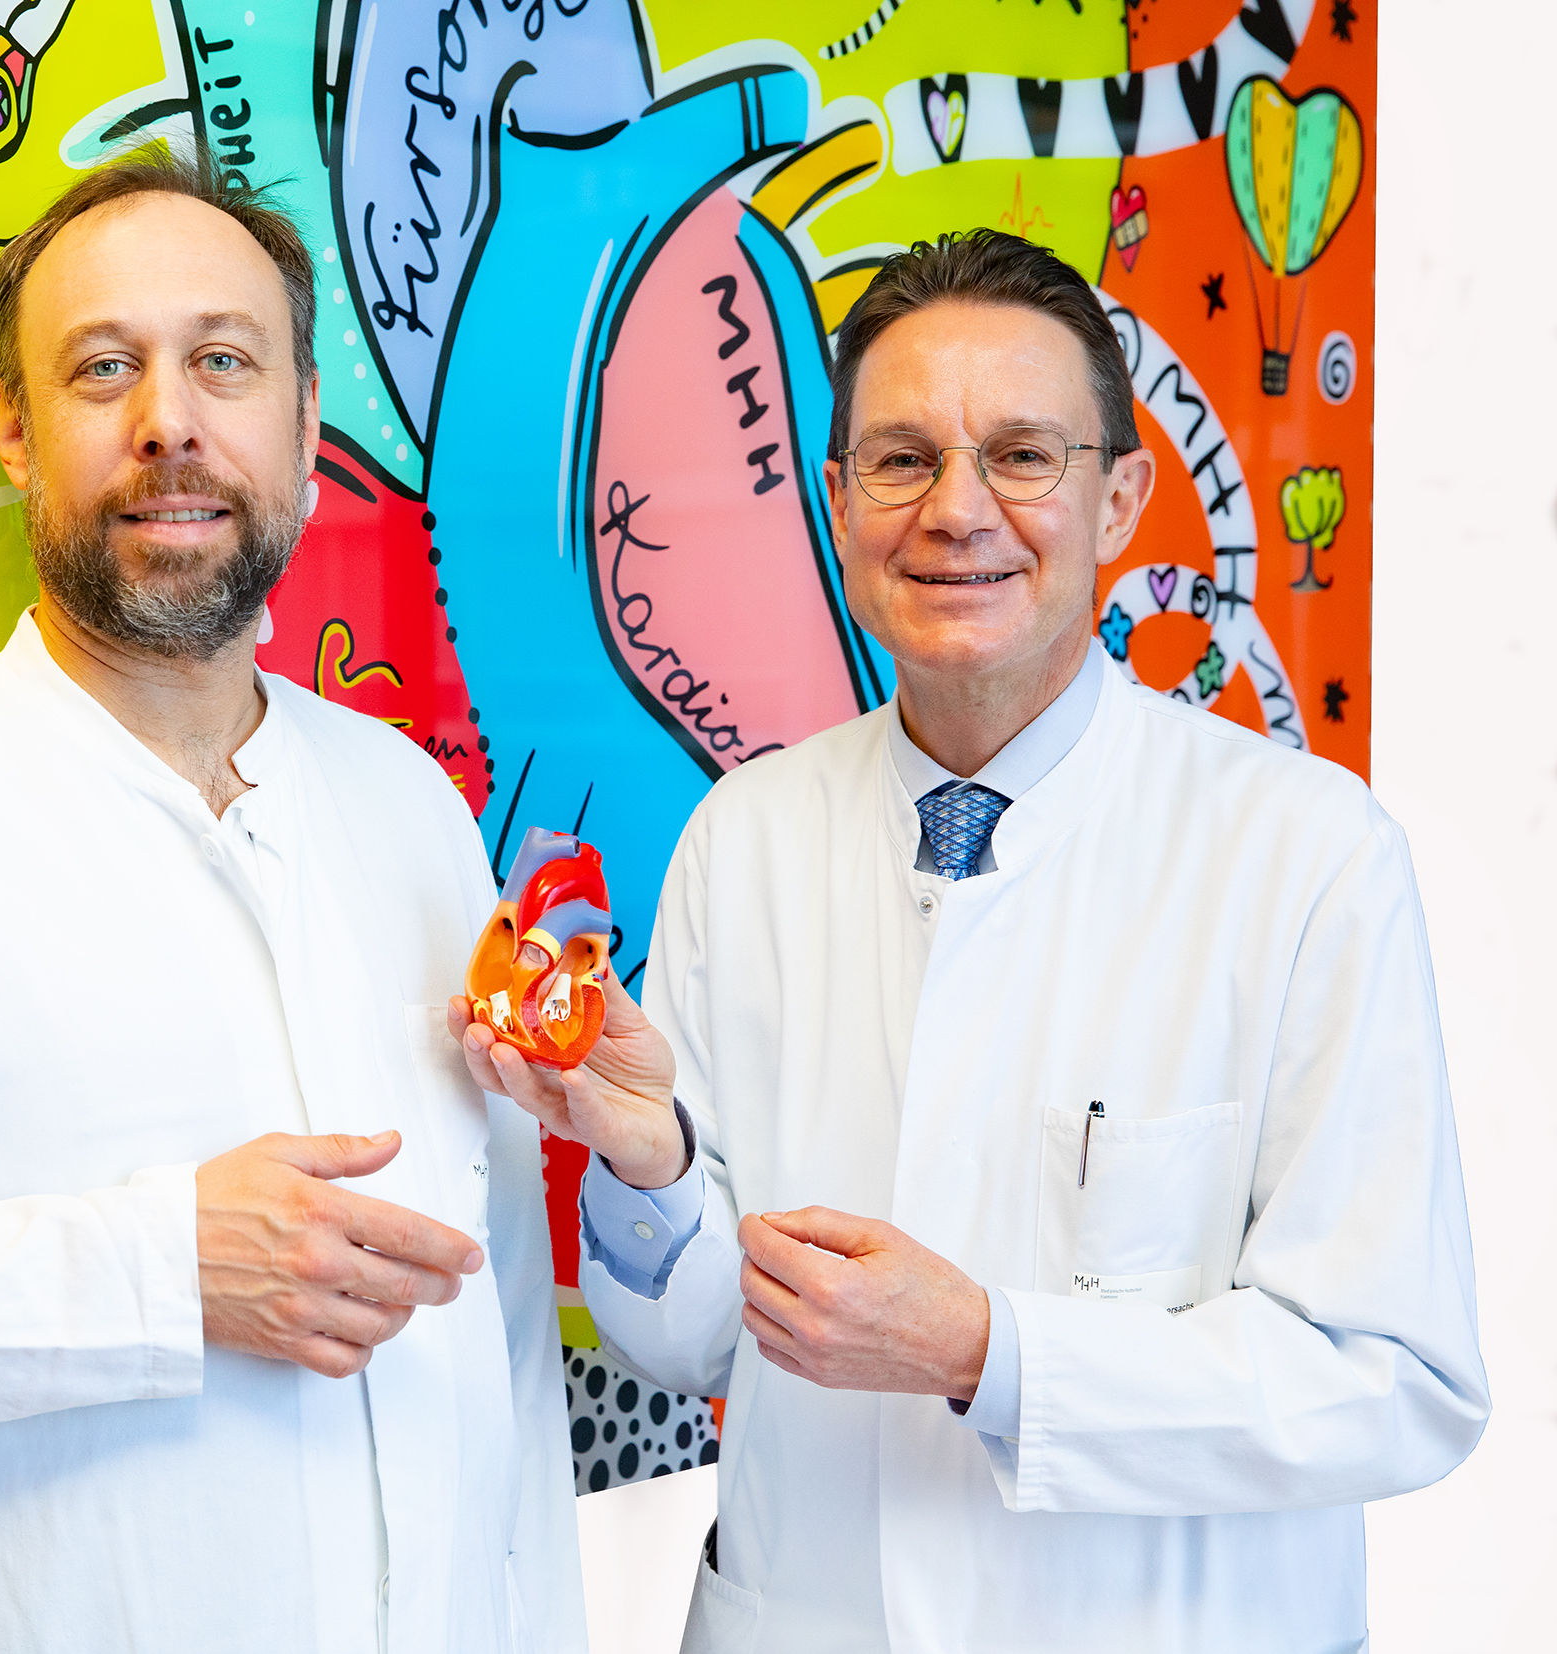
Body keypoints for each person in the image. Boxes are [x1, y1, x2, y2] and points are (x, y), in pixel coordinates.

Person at [454, 229, 1488, 1652]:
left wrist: (990, 1355)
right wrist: (657, 1161)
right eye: (898, 458)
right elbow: (685, 1338)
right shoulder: (746, 838)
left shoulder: (1307, 856)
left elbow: (1389, 1374)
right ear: (836, 499)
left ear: (1121, 497)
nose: (956, 511)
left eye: (1021, 454)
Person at [0, 148, 585, 1654]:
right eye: (102, 368)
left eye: (221, 360)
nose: (169, 423)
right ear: (13, 426)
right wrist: (159, 1268)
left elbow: (500, 1330)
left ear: (303, 419)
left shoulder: (410, 805)